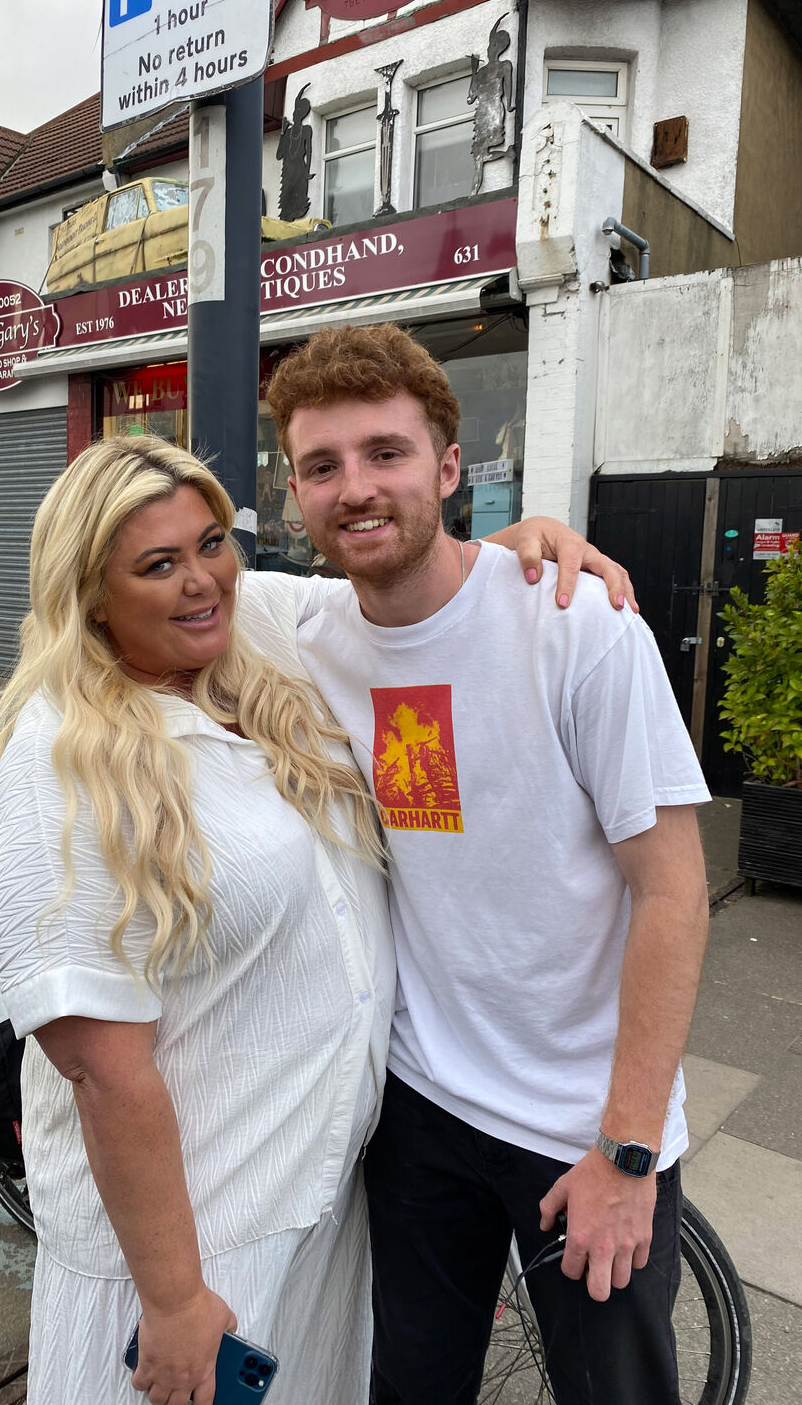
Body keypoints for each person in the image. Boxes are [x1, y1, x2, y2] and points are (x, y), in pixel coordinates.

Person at [0, 433, 625, 1405]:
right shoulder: (64, 755)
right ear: (91, 596)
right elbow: (102, 1070)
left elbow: (412, 589)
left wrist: (515, 559)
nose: (203, 581)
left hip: (321, 1205)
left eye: (210, 543)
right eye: (158, 564)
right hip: (195, 1247)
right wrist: (173, 1297)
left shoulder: (253, 638)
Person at [245, 322, 712, 1405]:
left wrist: (629, 1152)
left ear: (450, 469)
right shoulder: (299, 628)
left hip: (581, 1121)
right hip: (421, 1105)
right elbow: (123, 591)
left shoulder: (578, 628)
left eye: (386, 454)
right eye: (322, 466)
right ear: (294, 492)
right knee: (411, 1385)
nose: (355, 489)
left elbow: (674, 893)